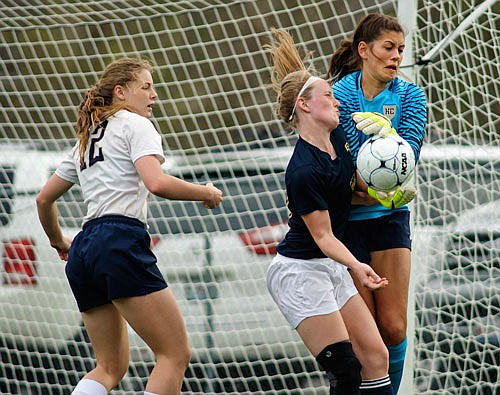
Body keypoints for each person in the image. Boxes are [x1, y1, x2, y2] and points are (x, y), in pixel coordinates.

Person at [36, 57, 223, 395]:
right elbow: (156, 183)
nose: (154, 95)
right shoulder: (136, 125)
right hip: (118, 241)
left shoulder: (87, 137)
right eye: (146, 87)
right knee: (174, 354)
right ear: (120, 92)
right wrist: (205, 192)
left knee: (109, 367)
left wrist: (59, 241)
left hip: (84, 249)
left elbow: (43, 200)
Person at [264, 28, 394, 395]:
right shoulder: (303, 170)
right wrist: (358, 265)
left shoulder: (337, 139)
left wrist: (391, 189)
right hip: (300, 271)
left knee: (376, 356)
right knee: (347, 370)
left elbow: (353, 192)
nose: (337, 102)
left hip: (331, 265)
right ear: (305, 106)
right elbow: (322, 236)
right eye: (329, 96)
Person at [327, 13, 427, 394]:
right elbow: (345, 152)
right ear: (364, 50)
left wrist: (375, 177)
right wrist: (359, 181)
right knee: (363, 336)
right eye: (389, 48)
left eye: (400, 50)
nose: (397, 56)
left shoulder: (412, 96)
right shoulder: (339, 93)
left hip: (388, 218)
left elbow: (406, 155)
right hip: (345, 225)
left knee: (394, 327)